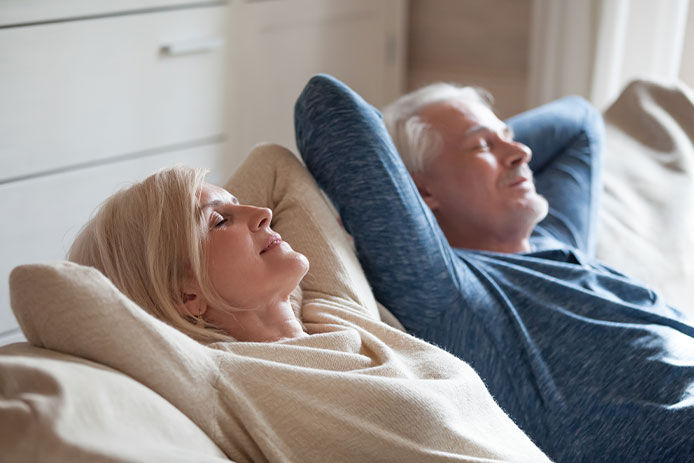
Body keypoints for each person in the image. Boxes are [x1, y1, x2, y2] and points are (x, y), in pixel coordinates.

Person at [294, 74, 694, 462]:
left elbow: (580, 121)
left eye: (510, 137)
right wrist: (428, 167)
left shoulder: (557, 238)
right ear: (420, 192)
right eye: (482, 146)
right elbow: (326, 105)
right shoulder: (451, 292)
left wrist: (484, 144)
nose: (523, 153)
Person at [66, 144, 550, 462]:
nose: (262, 212)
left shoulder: (333, 310)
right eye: (219, 221)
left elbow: (274, 165)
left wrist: (200, 222)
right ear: (184, 294)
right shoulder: (221, 378)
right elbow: (45, 292)